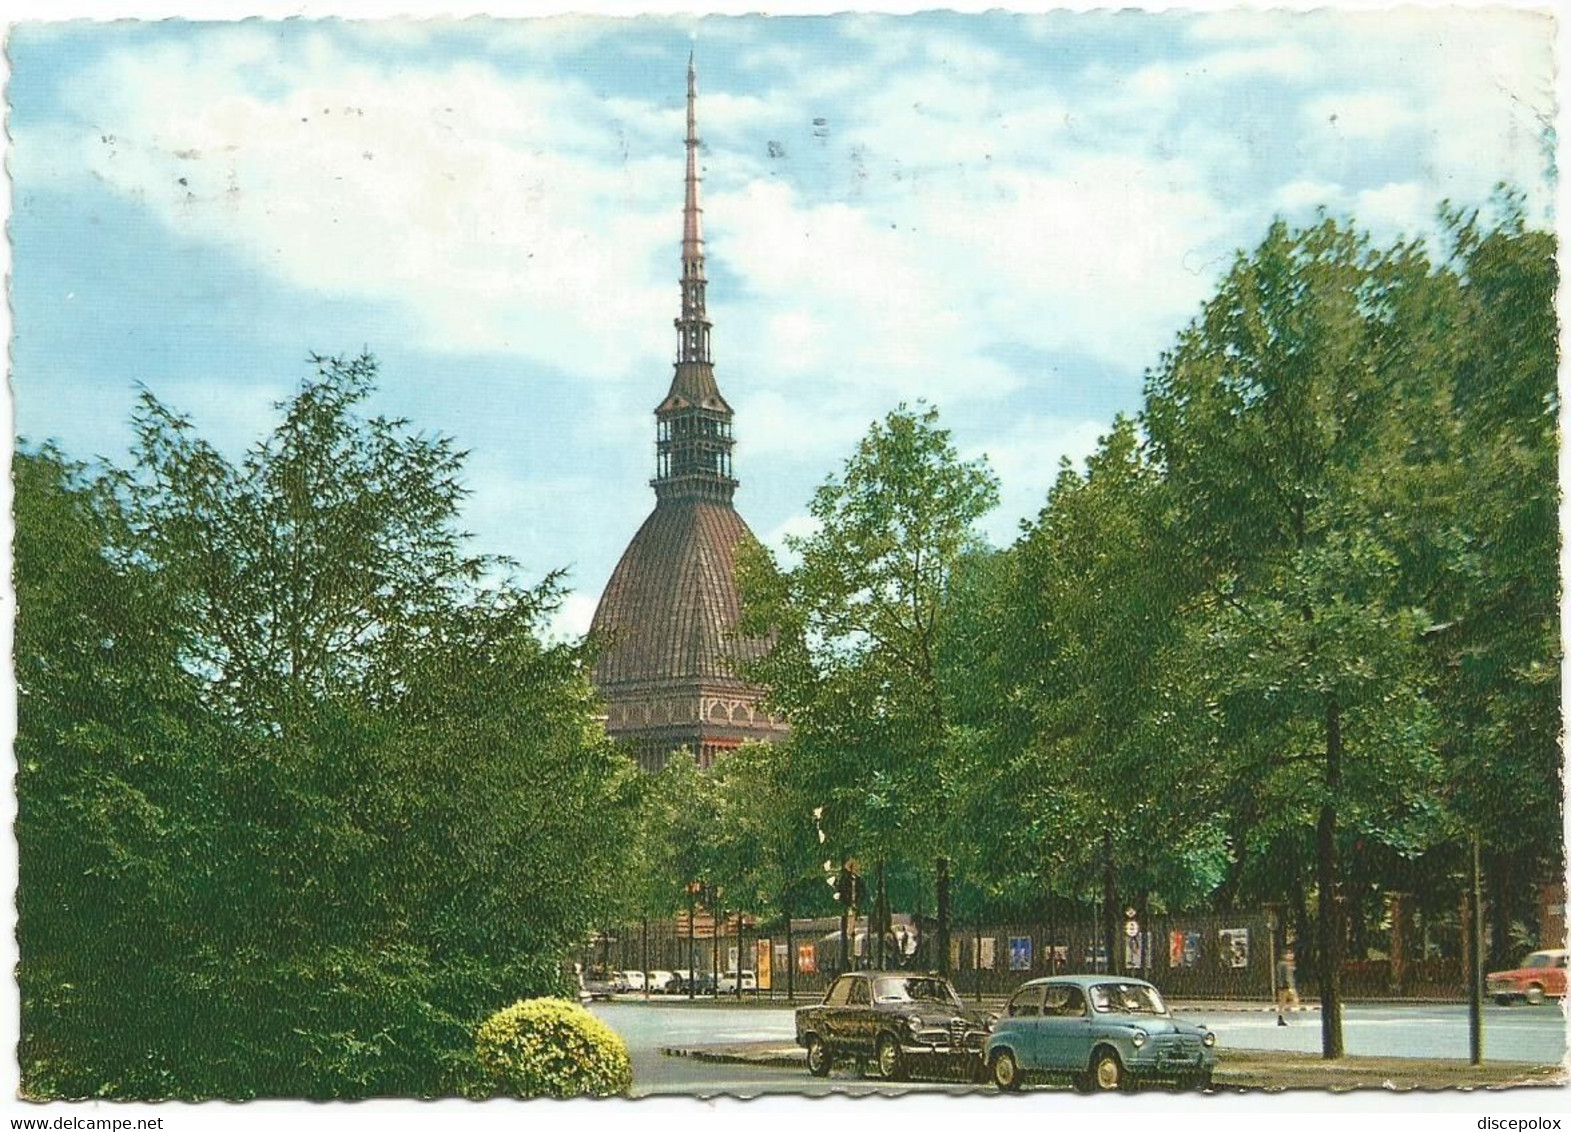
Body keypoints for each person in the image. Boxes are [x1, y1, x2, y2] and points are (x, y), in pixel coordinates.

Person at [1276, 944, 1300, 1023]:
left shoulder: (1280, 964)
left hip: (1281, 985)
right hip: (1287, 986)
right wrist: (1290, 987)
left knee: (1282, 1003)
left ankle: (1281, 1017)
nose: (1291, 956)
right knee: (1295, 1000)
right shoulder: (1286, 964)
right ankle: (1293, 1017)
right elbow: (1288, 976)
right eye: (1289, 954)